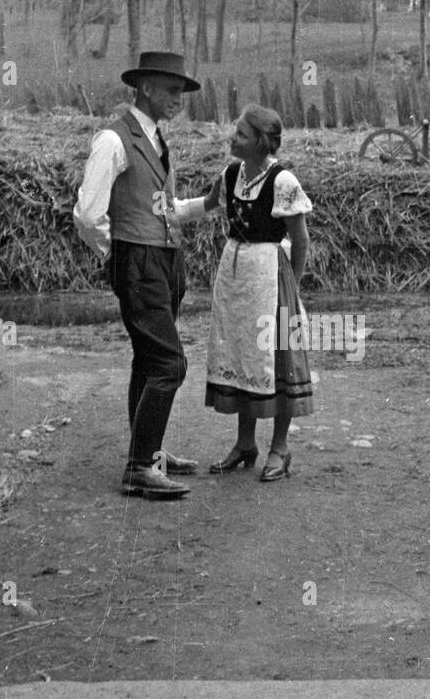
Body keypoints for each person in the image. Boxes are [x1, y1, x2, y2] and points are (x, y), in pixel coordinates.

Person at [73, 51, 220, 499]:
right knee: (169, 363)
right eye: (173, 91)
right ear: (147, 89)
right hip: (139, 262)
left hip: (163, 261)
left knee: (147, 359)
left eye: (182, 92)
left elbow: (161, 208)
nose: (180, 99)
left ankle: (148, 452)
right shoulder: (113, 141)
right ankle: (139, 468)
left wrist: (206, 205)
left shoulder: (154, 139)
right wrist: (117, 253)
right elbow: (87, 213)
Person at [205, 103, 314, 481]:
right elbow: (205, 206)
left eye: (241, 134)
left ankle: (280, 449)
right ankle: (245, 444)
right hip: (233, 277)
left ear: (261, 142)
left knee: (277, 357)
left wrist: (292, 287)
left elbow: (300, 240)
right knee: (242, 354)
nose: (232, 138)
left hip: (272, 278)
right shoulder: (231, 173)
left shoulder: (283, 182)